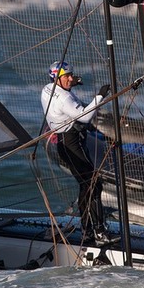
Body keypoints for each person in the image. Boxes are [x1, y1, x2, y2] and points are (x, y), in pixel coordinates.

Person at [41, 60, 112, 244]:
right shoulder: (65, 99)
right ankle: (98, 232)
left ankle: (87, 230)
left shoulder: (47, 88)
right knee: (93, 184)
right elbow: (86, 116)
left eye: (72, 75)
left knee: (86, 184)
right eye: (68, 76)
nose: (71, 78)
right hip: (71, 145)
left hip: (66, 141)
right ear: (56, 78)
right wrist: (100, 96)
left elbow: (67, 100)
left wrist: (71, 82)